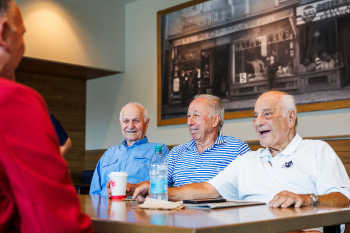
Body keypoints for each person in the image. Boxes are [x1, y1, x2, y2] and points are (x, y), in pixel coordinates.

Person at [134, 91, 350, 232]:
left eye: (267, 114)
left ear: (291, 118)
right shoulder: (248, 159)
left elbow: (343, 200)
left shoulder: (317, 150)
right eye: (255, 116)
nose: (258, 122)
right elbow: (206, 189)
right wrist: (156, 190)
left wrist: (308, 199)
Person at [0, 1, 92, 232]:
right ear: (3, 32)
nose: (24, 44)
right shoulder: (14, 101)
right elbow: (52, 220)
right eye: (22, 34)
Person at [107, 95, 250, 198]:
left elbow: (250, 187)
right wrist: (130, 188)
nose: (189, 122)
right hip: (178, 217)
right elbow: (158, 183)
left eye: (196, 115)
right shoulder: (177, 152)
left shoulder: (237, 149)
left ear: (215, 120)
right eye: (188, 116)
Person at [90, 102, 169, 196]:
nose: (130, 126)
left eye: (136, 120)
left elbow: (162, 186)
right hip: (104, 208)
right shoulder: (109, 153)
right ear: (120, 123)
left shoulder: (159, 151)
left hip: (137, 208)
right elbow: (94, 193)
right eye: (126, 121)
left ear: (146, 123)